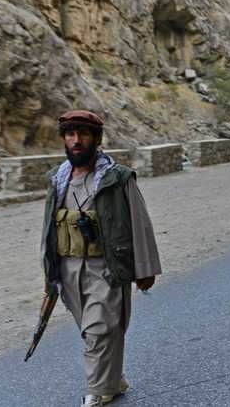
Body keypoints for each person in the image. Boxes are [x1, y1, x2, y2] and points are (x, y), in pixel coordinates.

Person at [40, 110, 162, 406]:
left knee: (100, 328)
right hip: (69, 269)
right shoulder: (58, 180)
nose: (76, 140)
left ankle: (99, 391)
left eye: (83, 134)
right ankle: (113, 379)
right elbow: (49, 229)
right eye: (70, 134)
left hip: (106, 266)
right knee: (92, 330)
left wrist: (145, 268)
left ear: (96, 138)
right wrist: (49, 271)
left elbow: (139, 223)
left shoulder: (116, 178)